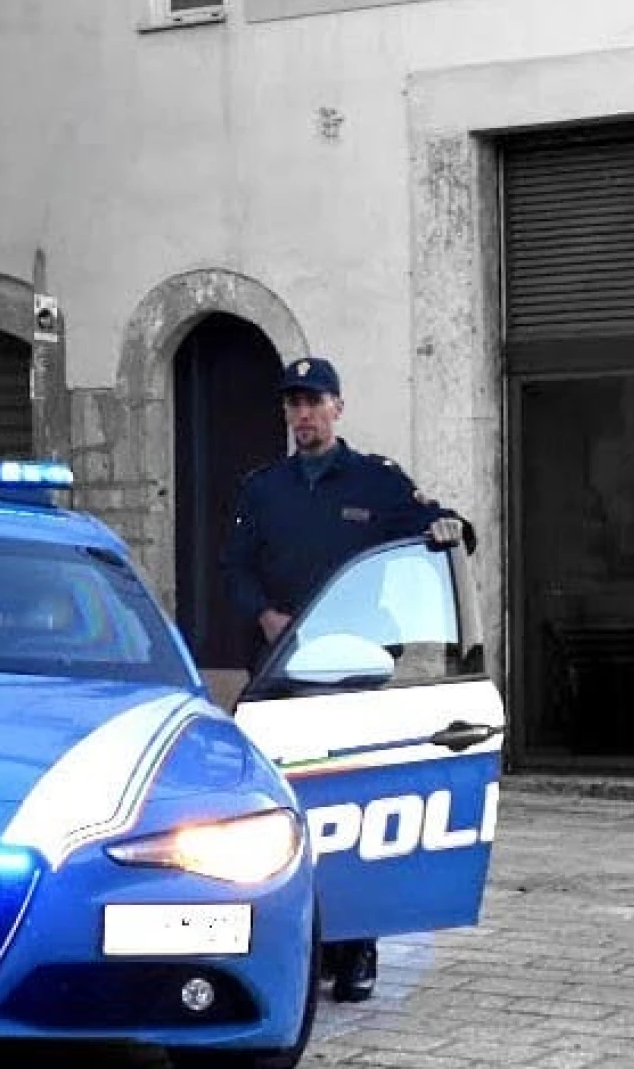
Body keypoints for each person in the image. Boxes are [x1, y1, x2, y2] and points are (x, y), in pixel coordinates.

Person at [220, 354, 471, 1004]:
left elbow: (442, 526)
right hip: (282, 677)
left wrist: (449, 528)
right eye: (293, 403)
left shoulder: (376, 481)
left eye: (314, 401)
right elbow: (234, 569)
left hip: (355, 676)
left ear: (338, 407)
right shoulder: (263, 488)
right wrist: (264, 614)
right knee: (291, 815)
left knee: (351, 817)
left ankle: (357, 951)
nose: (303, 413)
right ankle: (305, 945)